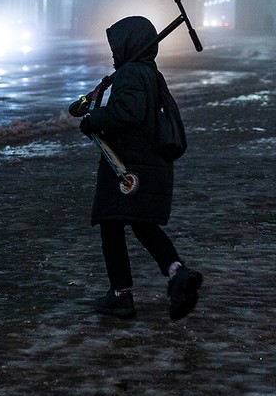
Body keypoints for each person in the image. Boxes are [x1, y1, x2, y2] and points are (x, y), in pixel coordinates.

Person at [79, 16, 202, 321]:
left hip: (128, 167)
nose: (113, 52)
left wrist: (93, 120)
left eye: (116, 46)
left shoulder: (131, 73)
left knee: (111, 225)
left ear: (130, 44)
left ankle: (121, 294)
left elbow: (127, 113)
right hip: (148, 163)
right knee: (142, 224)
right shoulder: (149, 73)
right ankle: (176, 272)